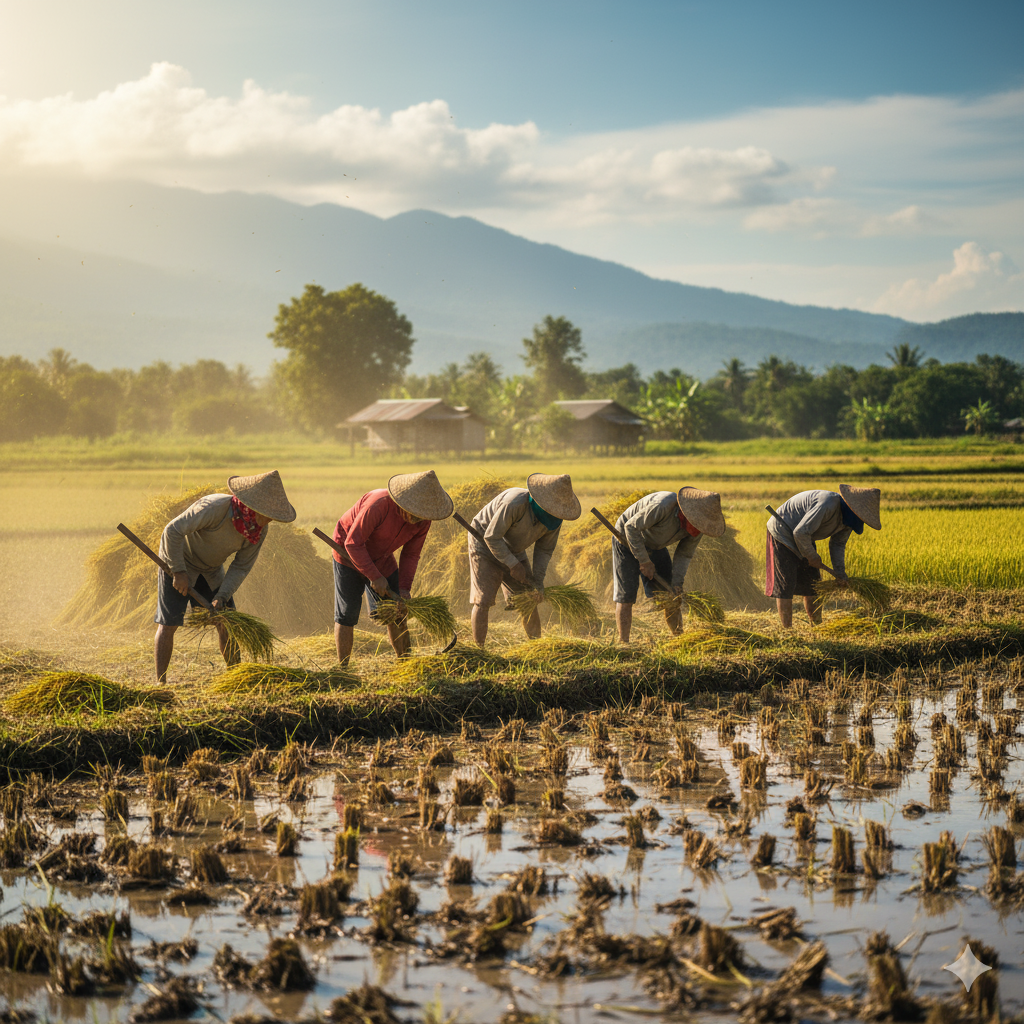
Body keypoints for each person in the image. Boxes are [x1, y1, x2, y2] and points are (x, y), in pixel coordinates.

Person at [155, 470, 296, 681]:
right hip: (178, 560)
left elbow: (241, 567)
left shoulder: (257, 530)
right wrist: (178, 571)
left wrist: (222, 596)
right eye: (267, 514)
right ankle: (161, 683)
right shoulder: (214, 508)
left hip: (210, 569)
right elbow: (172, 531)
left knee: (227, 622)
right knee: (169, 624)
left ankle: (235, 677)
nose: (268, 521)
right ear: (253, 506)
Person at [332, 470, 453, 665]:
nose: (416, 519)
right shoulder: (379, 505)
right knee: (347, 614)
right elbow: (353, 543)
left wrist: (404, 589)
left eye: (421, 515)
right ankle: (343, 669)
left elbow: (411, 554)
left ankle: (406, 663)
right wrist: (374, 576)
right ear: (404, 502)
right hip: (348, 553)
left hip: (382, 557)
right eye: (414, 513)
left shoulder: (423, 521)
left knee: (398, 611)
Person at [469, 473, 581, 645]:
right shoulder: (515, 504)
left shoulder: (555, 519)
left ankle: (536, 646)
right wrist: (513, 564)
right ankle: (479, 650)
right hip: (484, 540)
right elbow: (492, 537)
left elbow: (544, 550)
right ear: (542, 501)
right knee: (483, 600)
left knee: (529, 597)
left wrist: (538, 582)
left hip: (514, 546)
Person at [613, 487, 726, 643]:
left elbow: (684, 554)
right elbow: (630, 527)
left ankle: (678, 638)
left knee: (671, 595)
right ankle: (623, 642)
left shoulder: (698, 527)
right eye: (697, 523)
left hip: (655, 544)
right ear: (687, 514)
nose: (698, 528)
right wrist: (644, 561)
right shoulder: (663, 506)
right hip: (626, 538)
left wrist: (677, 583)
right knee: (626, 595)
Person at [766, 484, 882, 628]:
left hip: (804, 535)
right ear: (852, 509)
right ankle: (787, 630)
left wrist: (840, 572)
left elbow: (838, 544)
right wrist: (812, 556)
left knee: (814, 584)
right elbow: (800, 533)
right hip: (783, 530)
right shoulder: (827, 504)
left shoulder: (850, 521)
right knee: (786, 583)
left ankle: (816, 625)